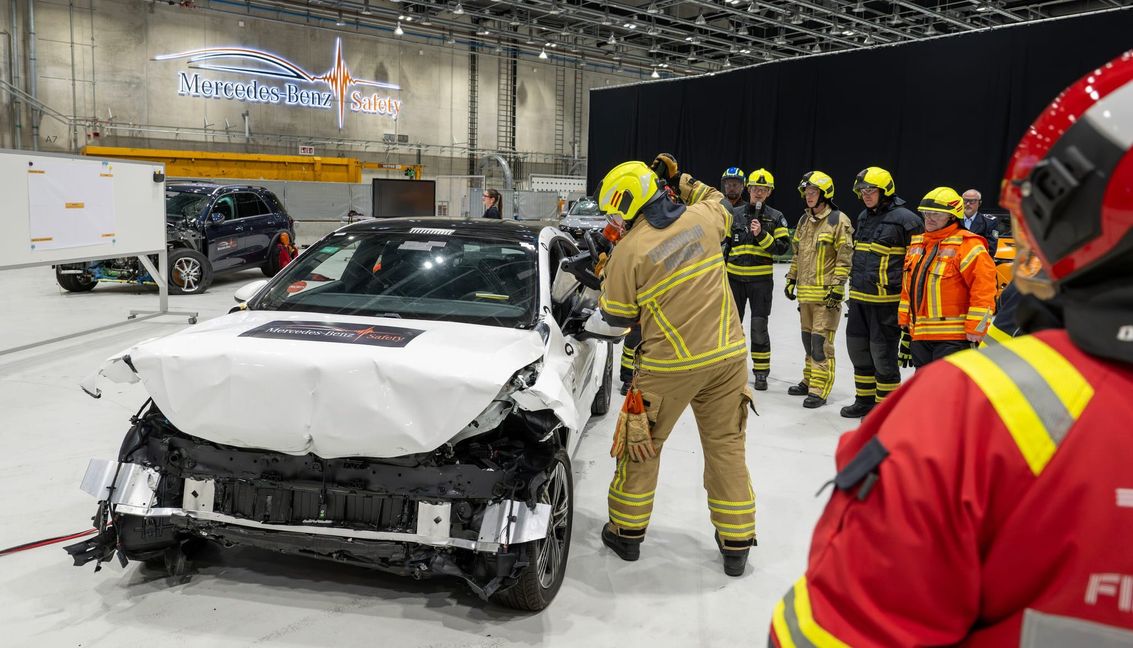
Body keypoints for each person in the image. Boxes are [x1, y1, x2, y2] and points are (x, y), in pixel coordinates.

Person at [768, 51, 1133, 646]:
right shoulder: (901, 238)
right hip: (888, 314)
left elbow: (834, 625)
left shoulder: (973, 411)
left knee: (879, 366)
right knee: (866, 360)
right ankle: (864, 396)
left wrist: (968, 339)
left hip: (932, 338)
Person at [587, 154, 757, 577]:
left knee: (640, 446)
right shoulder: (704, 217)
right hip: (728, 357)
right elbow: (720, 200)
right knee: (726, 447)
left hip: (670, 367)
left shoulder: (629, 252)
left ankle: (626, 533)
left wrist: (608, 275)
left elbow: (616, 317)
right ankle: (736, 543)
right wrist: (682, 180)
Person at [839, 167, 923, 419]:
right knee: (858, 351)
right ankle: (864, 401)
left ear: (885, 191)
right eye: (862, 190)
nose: (866, 194)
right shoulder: (864, 216)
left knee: (882, 355)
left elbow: (916, 267)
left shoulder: (907, 220)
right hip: (859, 299)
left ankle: (884, 411)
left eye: (871, 190)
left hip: (887, 302)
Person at [898, 186, 997, 367]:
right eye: (926, 213)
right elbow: (908, 286)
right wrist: (904, 320)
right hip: (919, 335)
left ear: (952, 216)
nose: (929, 218)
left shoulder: (968, 244)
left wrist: (977, 327)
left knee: (948, 393)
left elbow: (985, 289)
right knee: (925, 390)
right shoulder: (918, 244)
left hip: (954, 338)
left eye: (936, 214)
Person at [783, 171, 854, 408]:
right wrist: (791, 279)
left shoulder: (838, 220)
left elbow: (845, 259)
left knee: (820, 344)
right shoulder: (804, 221)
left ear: (825, 194)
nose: (809, 196)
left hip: (826, 297)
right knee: (807, 340)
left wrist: (837, 288)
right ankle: (809, 379)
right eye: (806, 192)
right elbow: (797, 254)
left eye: (813, 192)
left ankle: (819, 389)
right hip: (805, 295)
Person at [724, 169, 790, 390]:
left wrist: (761, 234)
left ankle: (761, 373)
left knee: (759, 328)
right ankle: (730, 371)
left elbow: (782, 249)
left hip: (760, 283)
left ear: (769, 192)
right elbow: (724, 246)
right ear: (748, 189)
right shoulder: (733, 213)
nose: (758, 192)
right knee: (731, 328)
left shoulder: (776, 216)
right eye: (755, 188)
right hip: (733, 280)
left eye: (763, 189)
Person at [961, 188, 1000, 256]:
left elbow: (991, 249)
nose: (967, 204)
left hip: (977, 260)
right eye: (965, 200)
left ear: (979, 203)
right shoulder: (953, 219)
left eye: (972, 201)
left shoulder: (989, 222)